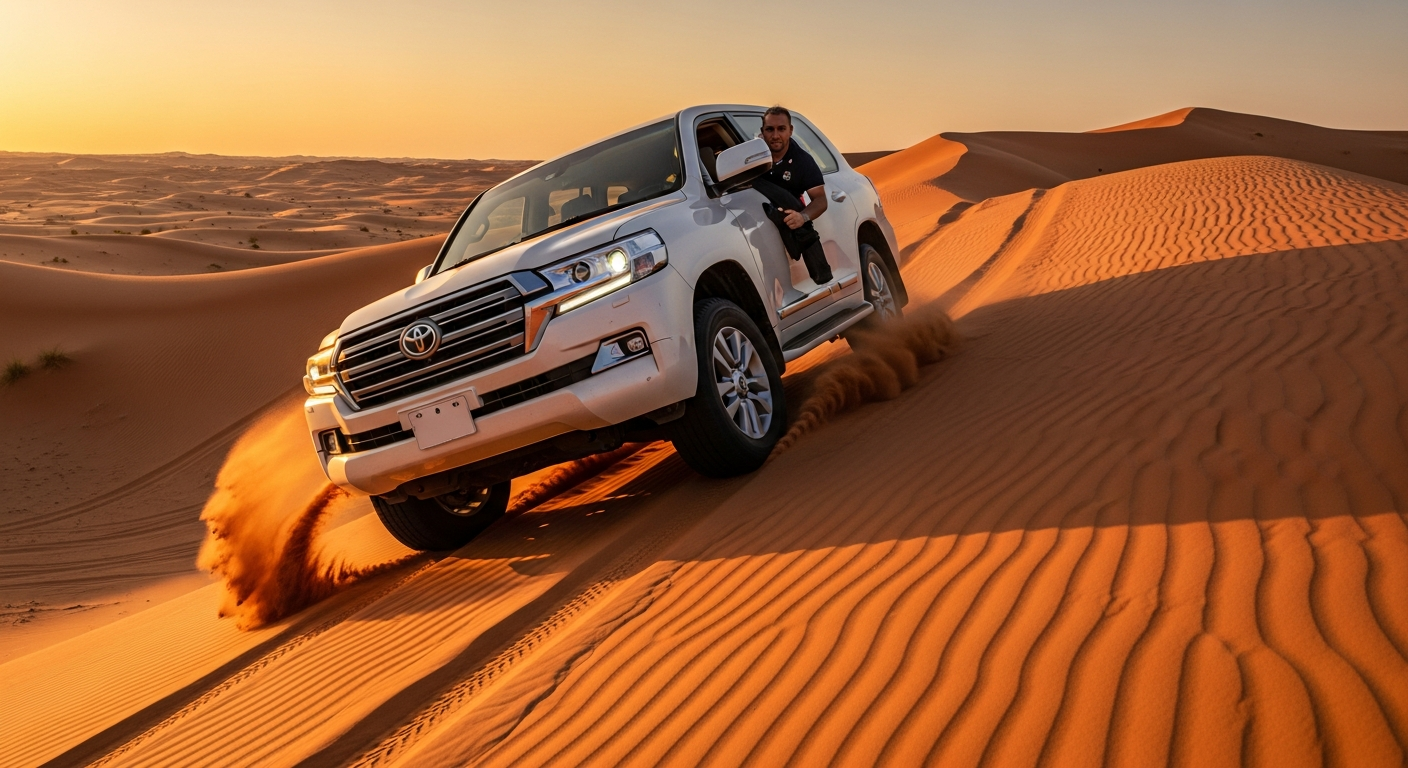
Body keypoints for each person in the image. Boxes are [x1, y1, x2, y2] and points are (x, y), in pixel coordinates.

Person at [753, 106, 833, 284]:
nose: (775, 135)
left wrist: (802, 217)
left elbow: (820, 199)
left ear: (790, 130)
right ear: (762, 132)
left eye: (781, 129)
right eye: (769, 129)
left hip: (789, 219)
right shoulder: (750, 157)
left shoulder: (803, 161)